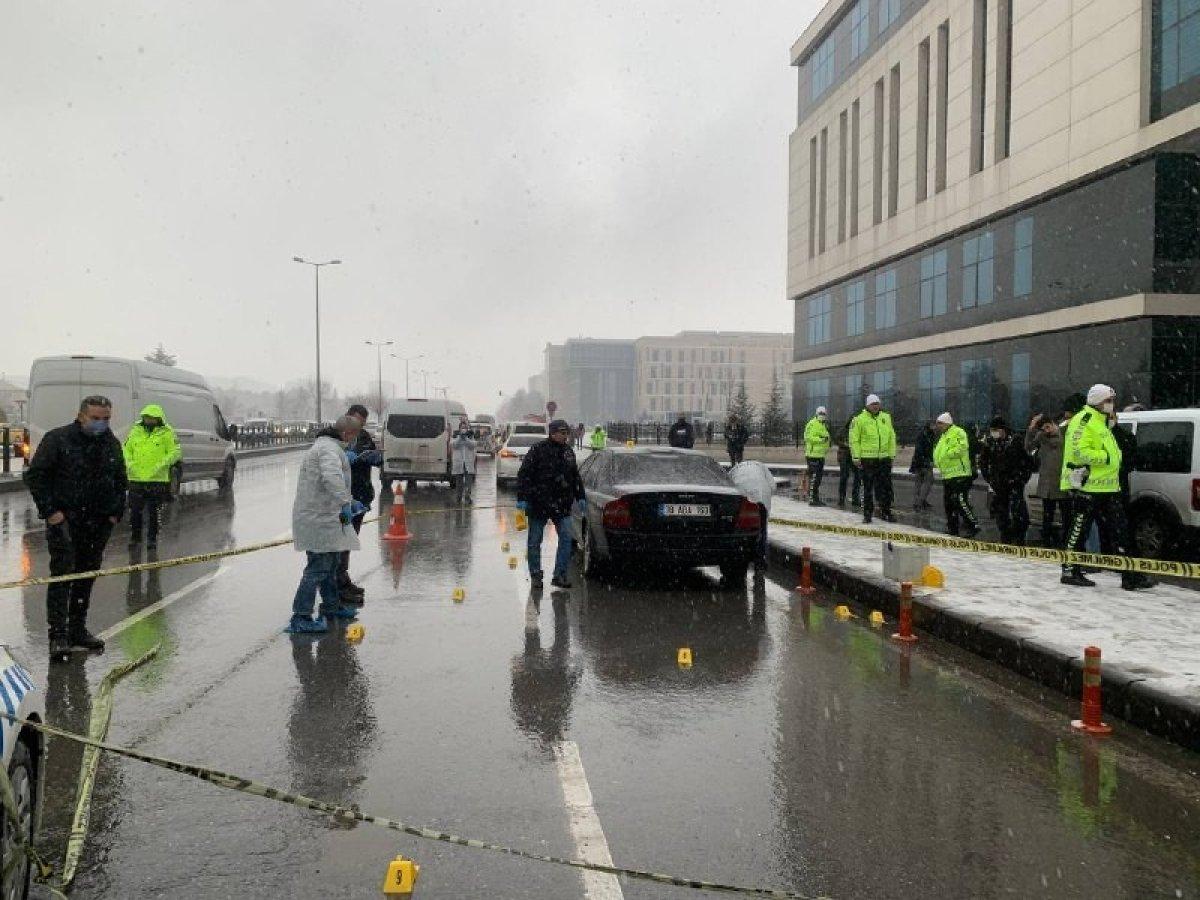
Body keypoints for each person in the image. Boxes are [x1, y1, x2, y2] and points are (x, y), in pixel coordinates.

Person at [24, 395, 127, 659]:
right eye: (95, 418)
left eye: (106, 419)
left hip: (98, 522)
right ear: (81, 415)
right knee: (63, 576)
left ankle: (77, 629)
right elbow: (36, 476)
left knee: (86, 575)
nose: (101, 424)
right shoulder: (57, 439)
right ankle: (58, 635)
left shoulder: (110, 443)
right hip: (66, 522)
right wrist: (51, 513)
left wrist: (115, 512)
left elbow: (120, 479)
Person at [1059, 384, 1153, 590]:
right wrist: (1108, 457)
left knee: (1122, 531)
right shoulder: (1083, 420)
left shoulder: (1102, 423)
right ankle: (1069, 570)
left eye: (1112, 400)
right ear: (1098, 401)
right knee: (1079, 529)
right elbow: (1079, 452)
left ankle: (1130, 576)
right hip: (1088, 487)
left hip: (1109, 488)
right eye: (1108, 400)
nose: (1112, 404)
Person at [286, 415, 367, 634]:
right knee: (318, 567)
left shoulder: (328, 447)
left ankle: (331, 606)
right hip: (318, 519)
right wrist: (345, 503)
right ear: (346, 434)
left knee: (331, 563)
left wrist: (348, 501)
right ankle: (300, 616)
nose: (353, 441)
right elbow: (331, 478)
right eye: (353, 436)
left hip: (325, 518)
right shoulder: (329, 450)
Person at [516, 419, 585, 589]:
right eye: (562, 433)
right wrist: (523, 498)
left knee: (566, 539)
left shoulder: (568, 452)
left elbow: (575, 476)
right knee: (534, 541)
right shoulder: (538, 450)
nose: (565, 436)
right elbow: (524, 474)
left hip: (562, 504)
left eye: (567, 433)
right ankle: (535, 574)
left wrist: (580, 495)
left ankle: (559, 574)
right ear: (553, 433)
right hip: (539, 503)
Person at [337, 404, 382, 603]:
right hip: (343, 498)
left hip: (360, 496)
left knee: (349, 540)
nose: (359, 426)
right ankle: (337, 585)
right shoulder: (336, 436)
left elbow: (377, 458)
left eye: (362, 423)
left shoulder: (363, 436)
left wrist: (372, 457)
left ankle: (343, 578)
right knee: (339, 543)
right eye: (356, 421)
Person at [122, 403, 181, 549]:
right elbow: (126, 448)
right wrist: (129, 463)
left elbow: (175, 452)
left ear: (159, 418)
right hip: (136, 478)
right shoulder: (136, 430)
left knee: (153, 511)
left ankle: (152, 539)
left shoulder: (167, 432)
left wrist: (162, 464)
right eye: (147, 417)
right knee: (135, 511)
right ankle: (135, 538)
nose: (149, 420)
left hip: (157, 479)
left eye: (152, 418)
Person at [979, 416, 1033, 544]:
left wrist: (1021, 479)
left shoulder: (1015, 442)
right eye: (992, 430)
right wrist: (990, 478)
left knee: (1018, 512)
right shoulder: (990, 443)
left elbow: (1027, 462)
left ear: (1003, 429)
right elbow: (983, 462)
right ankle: (1006, 537)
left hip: (1015, 482)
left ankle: (1019, 538)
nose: (994, 433)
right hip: (999, 483)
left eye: (996, 430)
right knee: (1001, 513)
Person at [849, 394, 896, 524]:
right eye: (873, 404)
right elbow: (854, 440)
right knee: (868, 488)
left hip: (884, 459)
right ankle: (867, 514)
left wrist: (891, 455)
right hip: (867, 459)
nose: (875, 406)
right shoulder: (858, 420)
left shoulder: (886, 418)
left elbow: (892, 437)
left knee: (886, 487)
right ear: (867, 405)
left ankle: (886, 511)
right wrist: (856, 457)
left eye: (877, 404)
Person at [932, 412, 980, 538]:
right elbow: (938, 453)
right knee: (948, 502)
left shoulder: (958, 432)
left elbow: (961, 448)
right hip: (948, 475)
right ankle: (952, 526)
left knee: (960, 501)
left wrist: (946, 455)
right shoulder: (944, 436)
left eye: (940, 423)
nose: (938, 426)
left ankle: (973, 524)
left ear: (947, 423)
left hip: (959, 474)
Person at [1025, 413, 1068, 546]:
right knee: (1047, 517)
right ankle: (1047, 543)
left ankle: (1066, 543)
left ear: (1053, 423)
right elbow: (1028, 448)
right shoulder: (1041, 437)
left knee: (1067, 517)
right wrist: (1031, 429)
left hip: (1062, 483)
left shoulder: (1065, 434)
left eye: (1048, 427)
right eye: (1044, 429)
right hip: (1047, 484)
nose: (1047, 430)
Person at [729, 459, 775, 576]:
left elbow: (728, 488)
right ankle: (760, 560)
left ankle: (742, 557)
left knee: (742, 530)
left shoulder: (734, 470)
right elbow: (773, 486)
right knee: (762, 530)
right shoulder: (761, 466)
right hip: (762, 498)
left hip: (743, 496)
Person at [803, 406, 831, 506]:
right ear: (816, 413)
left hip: (821, 455)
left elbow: (827, 438)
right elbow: (808, 437)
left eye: (824, 414)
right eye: (820, 413)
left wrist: (826, 445)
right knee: (814, 479)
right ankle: (812, 500)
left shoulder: (823, 425)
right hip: (813, 455)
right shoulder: (812, 423)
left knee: (818, 479)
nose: (822, 416)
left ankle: (815, 498)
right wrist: (821, 440)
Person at [909, 420, 936, 511]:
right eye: (933, 425)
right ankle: (920, 501)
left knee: (919, 483)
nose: (935, 427)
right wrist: (926, 461)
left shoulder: (928, 434)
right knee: (927, 481)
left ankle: (918, 502)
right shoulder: (925, 435)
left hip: (920, 462)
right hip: (923, 462)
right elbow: (920, 450)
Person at [451, 419, 478, 505]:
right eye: (462, 428)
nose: (463, 429)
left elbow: (473, 445)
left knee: (468, 483)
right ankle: (458, 498)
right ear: (459, 428)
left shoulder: (470, 436)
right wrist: (460, 438)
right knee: (459, 483)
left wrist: (466, 438)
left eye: (465, 428)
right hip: (459, 463)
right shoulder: (455, 436)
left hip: (468, 463)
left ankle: (467, 497)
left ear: (467, 428)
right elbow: (453, 445)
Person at [836, 416, 861, 508]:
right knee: (844, 477)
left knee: (858, 477)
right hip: (845, 456)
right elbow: (837, 440)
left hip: (854, 455)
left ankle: (855, 498)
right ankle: (841, 498)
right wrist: (846, 445)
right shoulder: (843, 430)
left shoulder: (857, 430)